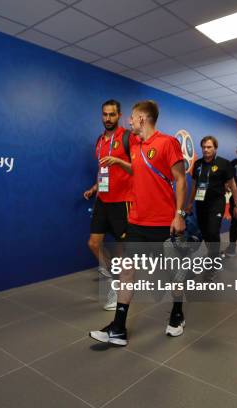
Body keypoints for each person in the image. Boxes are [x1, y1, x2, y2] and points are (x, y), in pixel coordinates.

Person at [89, 100, 187, 345]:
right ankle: (119, 328)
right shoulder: (136, 147)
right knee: (127, 271)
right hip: (136, 220)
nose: (128, 121)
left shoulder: (167, 143)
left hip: (163, 222)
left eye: (132, 117)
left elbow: (181, 179)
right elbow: (138, 171)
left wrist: (179, 214)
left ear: (142, 118)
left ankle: (177, 313)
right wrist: (121, 164)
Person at [83, 100, 134, 310]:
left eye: (112, 115)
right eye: (104, 114)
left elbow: (137, 169)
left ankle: (121, 289)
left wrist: (120, 161)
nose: (108, 119)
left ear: (119, 115)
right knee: (93, 244)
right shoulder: (100, 140)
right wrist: (95, 187)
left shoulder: (127, 137)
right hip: (103, 200)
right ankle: (114, 279)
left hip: (123, 202)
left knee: (123, 251)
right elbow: (104, 170)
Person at [185, 136, 237, 264]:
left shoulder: (224, 163)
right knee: (205, 233)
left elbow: (233, 186)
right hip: (200, 203)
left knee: (213, 231)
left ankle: (214, 261)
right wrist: (189, 203)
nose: (206, 150)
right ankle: (213, 253)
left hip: (216, 203)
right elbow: (194, 185)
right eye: (204, 147)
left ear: (215, 148)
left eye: (209, 147)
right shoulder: (198, 164)